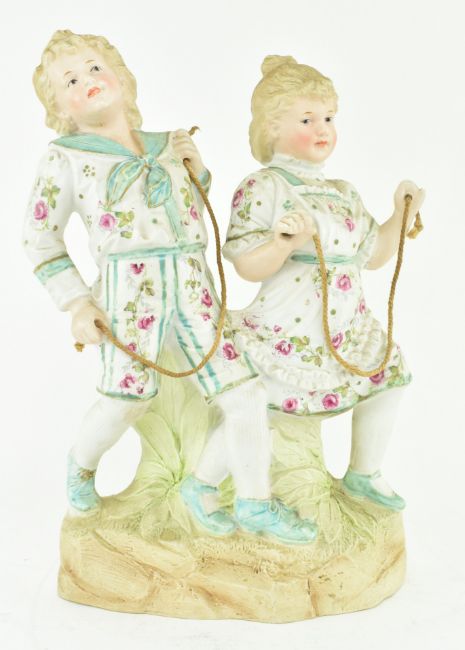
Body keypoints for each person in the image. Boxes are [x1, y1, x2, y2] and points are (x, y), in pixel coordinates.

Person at [23, 33, 315, 544]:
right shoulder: (65, 157)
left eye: (95, 67)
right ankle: (81, 466)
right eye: (70, 80)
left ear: (121, 75)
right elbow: (38, 236)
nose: (88, 81)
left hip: (193, 283)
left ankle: (246, 501)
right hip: (129, 292)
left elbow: (188, 210)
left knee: (245, 392)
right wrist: (77, 302)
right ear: (59, 107)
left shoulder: (168, 144)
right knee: (126, 399)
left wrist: (198, 172)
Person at [191, 55, 425, 511]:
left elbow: (374, 255)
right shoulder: (263, 187)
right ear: (272, 127)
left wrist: (402, 214)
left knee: (391, 374)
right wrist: (282, 244)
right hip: (288, 325)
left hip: (346, 327)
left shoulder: (343, 192)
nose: (322, 129)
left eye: (329, 118)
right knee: (258, 406)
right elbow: (247, 265)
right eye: (307, 119)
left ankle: (363, 472)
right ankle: (202, 484)